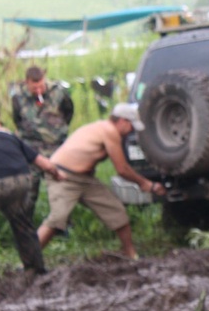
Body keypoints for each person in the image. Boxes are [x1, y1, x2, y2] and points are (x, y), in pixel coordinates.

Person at [37, 103, 167, 260]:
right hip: (62, 176)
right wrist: (146, 184)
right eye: (131, 126)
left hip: (85, 179)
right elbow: (122, 169)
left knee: (117, 211)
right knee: (57, 219)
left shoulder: (104, 129)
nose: (131, 131)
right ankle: (29, 262)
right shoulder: (109, 131)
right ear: (123, 121)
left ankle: (130, 254)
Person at [0, 109, 63, 275]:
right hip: (20, 181)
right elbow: (44, 163)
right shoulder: (10, 137)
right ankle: (36, 269)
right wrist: (58, 175)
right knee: (23, 225)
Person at [11, 65, 74, 213]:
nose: (38, 90)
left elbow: (68, 112)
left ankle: (62, 224)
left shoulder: (58, 93)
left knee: (60, 189)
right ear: (27, 82)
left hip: (56, 148)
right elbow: (17, 120)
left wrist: (56, 131)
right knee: (28, 190)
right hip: (31, 151)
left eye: (41, 86)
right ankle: (25, 226)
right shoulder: (18, 98)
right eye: (34, 88)